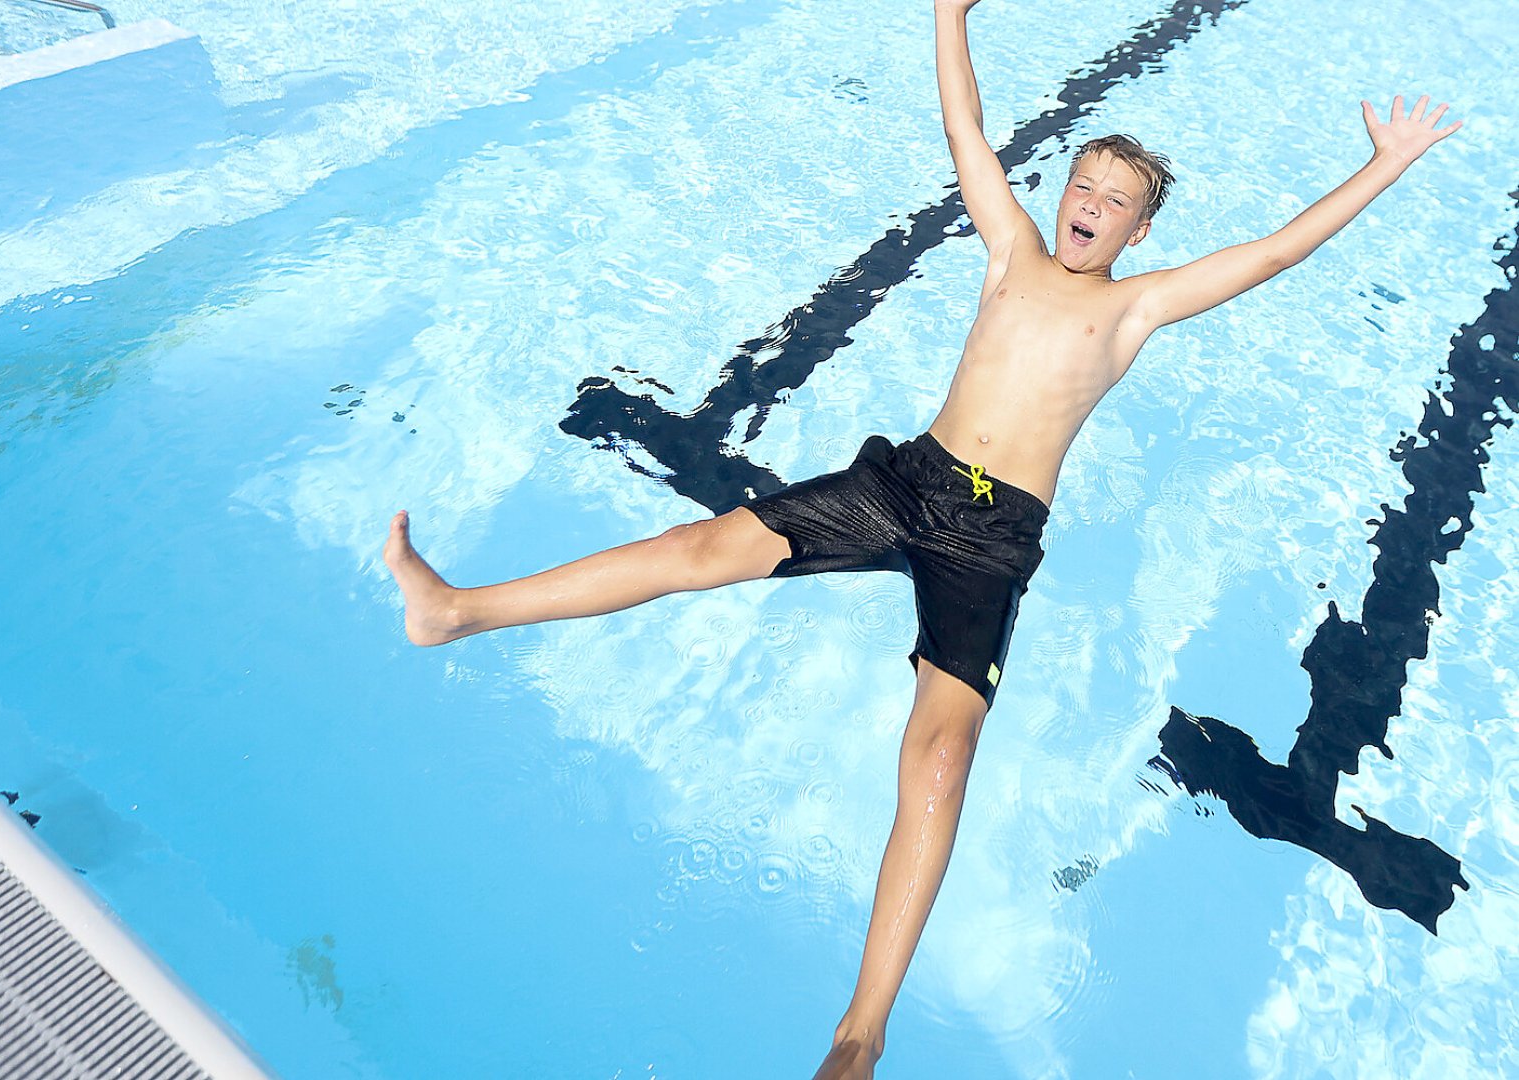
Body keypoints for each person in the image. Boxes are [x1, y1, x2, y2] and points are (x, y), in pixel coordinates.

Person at [382, 0, 1462, 1074]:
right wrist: (949, 15)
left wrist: (1385, 165)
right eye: (1079, 184)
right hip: (907, 482)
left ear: (1139, 232)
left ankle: (858, 1036)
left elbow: (1272, 255)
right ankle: (458, 609)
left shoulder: (1133, 307)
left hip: (990, 545)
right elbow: (965, 131)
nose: (1087, 204)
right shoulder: (1009, 251)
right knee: (697, 549)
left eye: (1113, 201)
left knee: (940, 754)